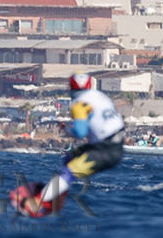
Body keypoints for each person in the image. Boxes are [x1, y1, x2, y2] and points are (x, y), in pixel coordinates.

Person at [19, 72, 124, 216]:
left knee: (69, 171)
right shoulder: (100, 96)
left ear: (71, 87)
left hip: (106, 150)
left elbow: (81, 133)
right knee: (70, 156)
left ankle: (39, 201)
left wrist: (68, 130)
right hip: (112, 143)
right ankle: (58, 189)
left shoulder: (79, 104)